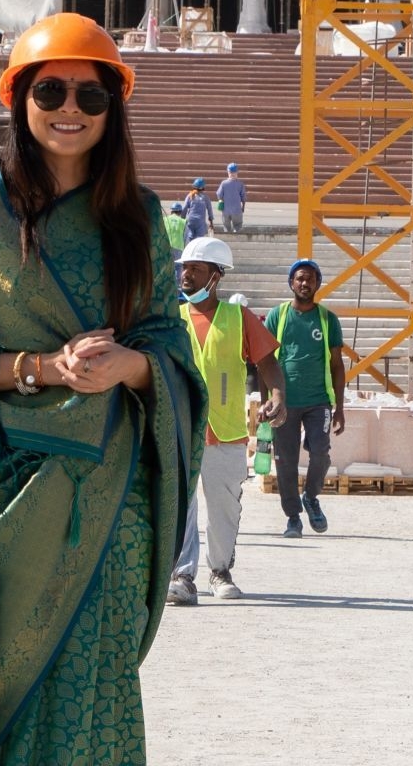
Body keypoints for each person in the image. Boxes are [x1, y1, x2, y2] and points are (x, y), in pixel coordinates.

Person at [0, 12, 208, 766]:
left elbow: (167, 343)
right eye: (51, 92)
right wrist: (42, 368)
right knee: (7, 681)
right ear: (20, 101)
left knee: (93, 682)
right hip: (6, 495)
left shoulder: (137, 217)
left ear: (114, 108)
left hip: (110, 501)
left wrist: (128, 368)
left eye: (91, 96)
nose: (70, 110)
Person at [167, 235, 286, 605]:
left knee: (224, 508)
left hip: (226, 432)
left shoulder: (239, 317)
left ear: (215, 276)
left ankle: (219, 571)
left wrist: (278, 396)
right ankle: (183, 576)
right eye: (184, 267)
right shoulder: (172, 317)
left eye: (196, 269)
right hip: (182, 428)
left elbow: (267, 361)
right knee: (181, 505)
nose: (186, 275)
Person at [263, 258, 345, 537]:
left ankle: (311, 497)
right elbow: (265, 361)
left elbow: (337, 365)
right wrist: (268, 401)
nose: (304, 283)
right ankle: (293, 518)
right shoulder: (277, 316)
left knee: (320, 453)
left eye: (310, 278)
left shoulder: (328, 320)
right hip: (284, 402)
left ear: (318, 284)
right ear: (291, 283)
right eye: (299, 278)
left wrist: (340, 408)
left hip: (318, 400)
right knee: (285, 460)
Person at [216, 162, 246, 234]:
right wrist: (243, 207)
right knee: (238, 225)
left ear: (228, 172)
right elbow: (243, 197)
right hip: (237, 210)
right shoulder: (240, 184)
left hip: (226, 210)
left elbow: (219, 195)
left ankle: (227, 241)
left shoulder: (224, 183)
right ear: (237, 172)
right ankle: (236, 238)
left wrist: (221, 200)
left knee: (226, 226)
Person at [182, 177, 214, 242]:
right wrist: (211, 222)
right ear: (203, 188)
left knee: (190, 238)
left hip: (190, 220)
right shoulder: (206, 197)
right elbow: (210, 210)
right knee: (199, 240)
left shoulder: (190, 195)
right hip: (200, 221)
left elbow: (184, 208)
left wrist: (182, 220)